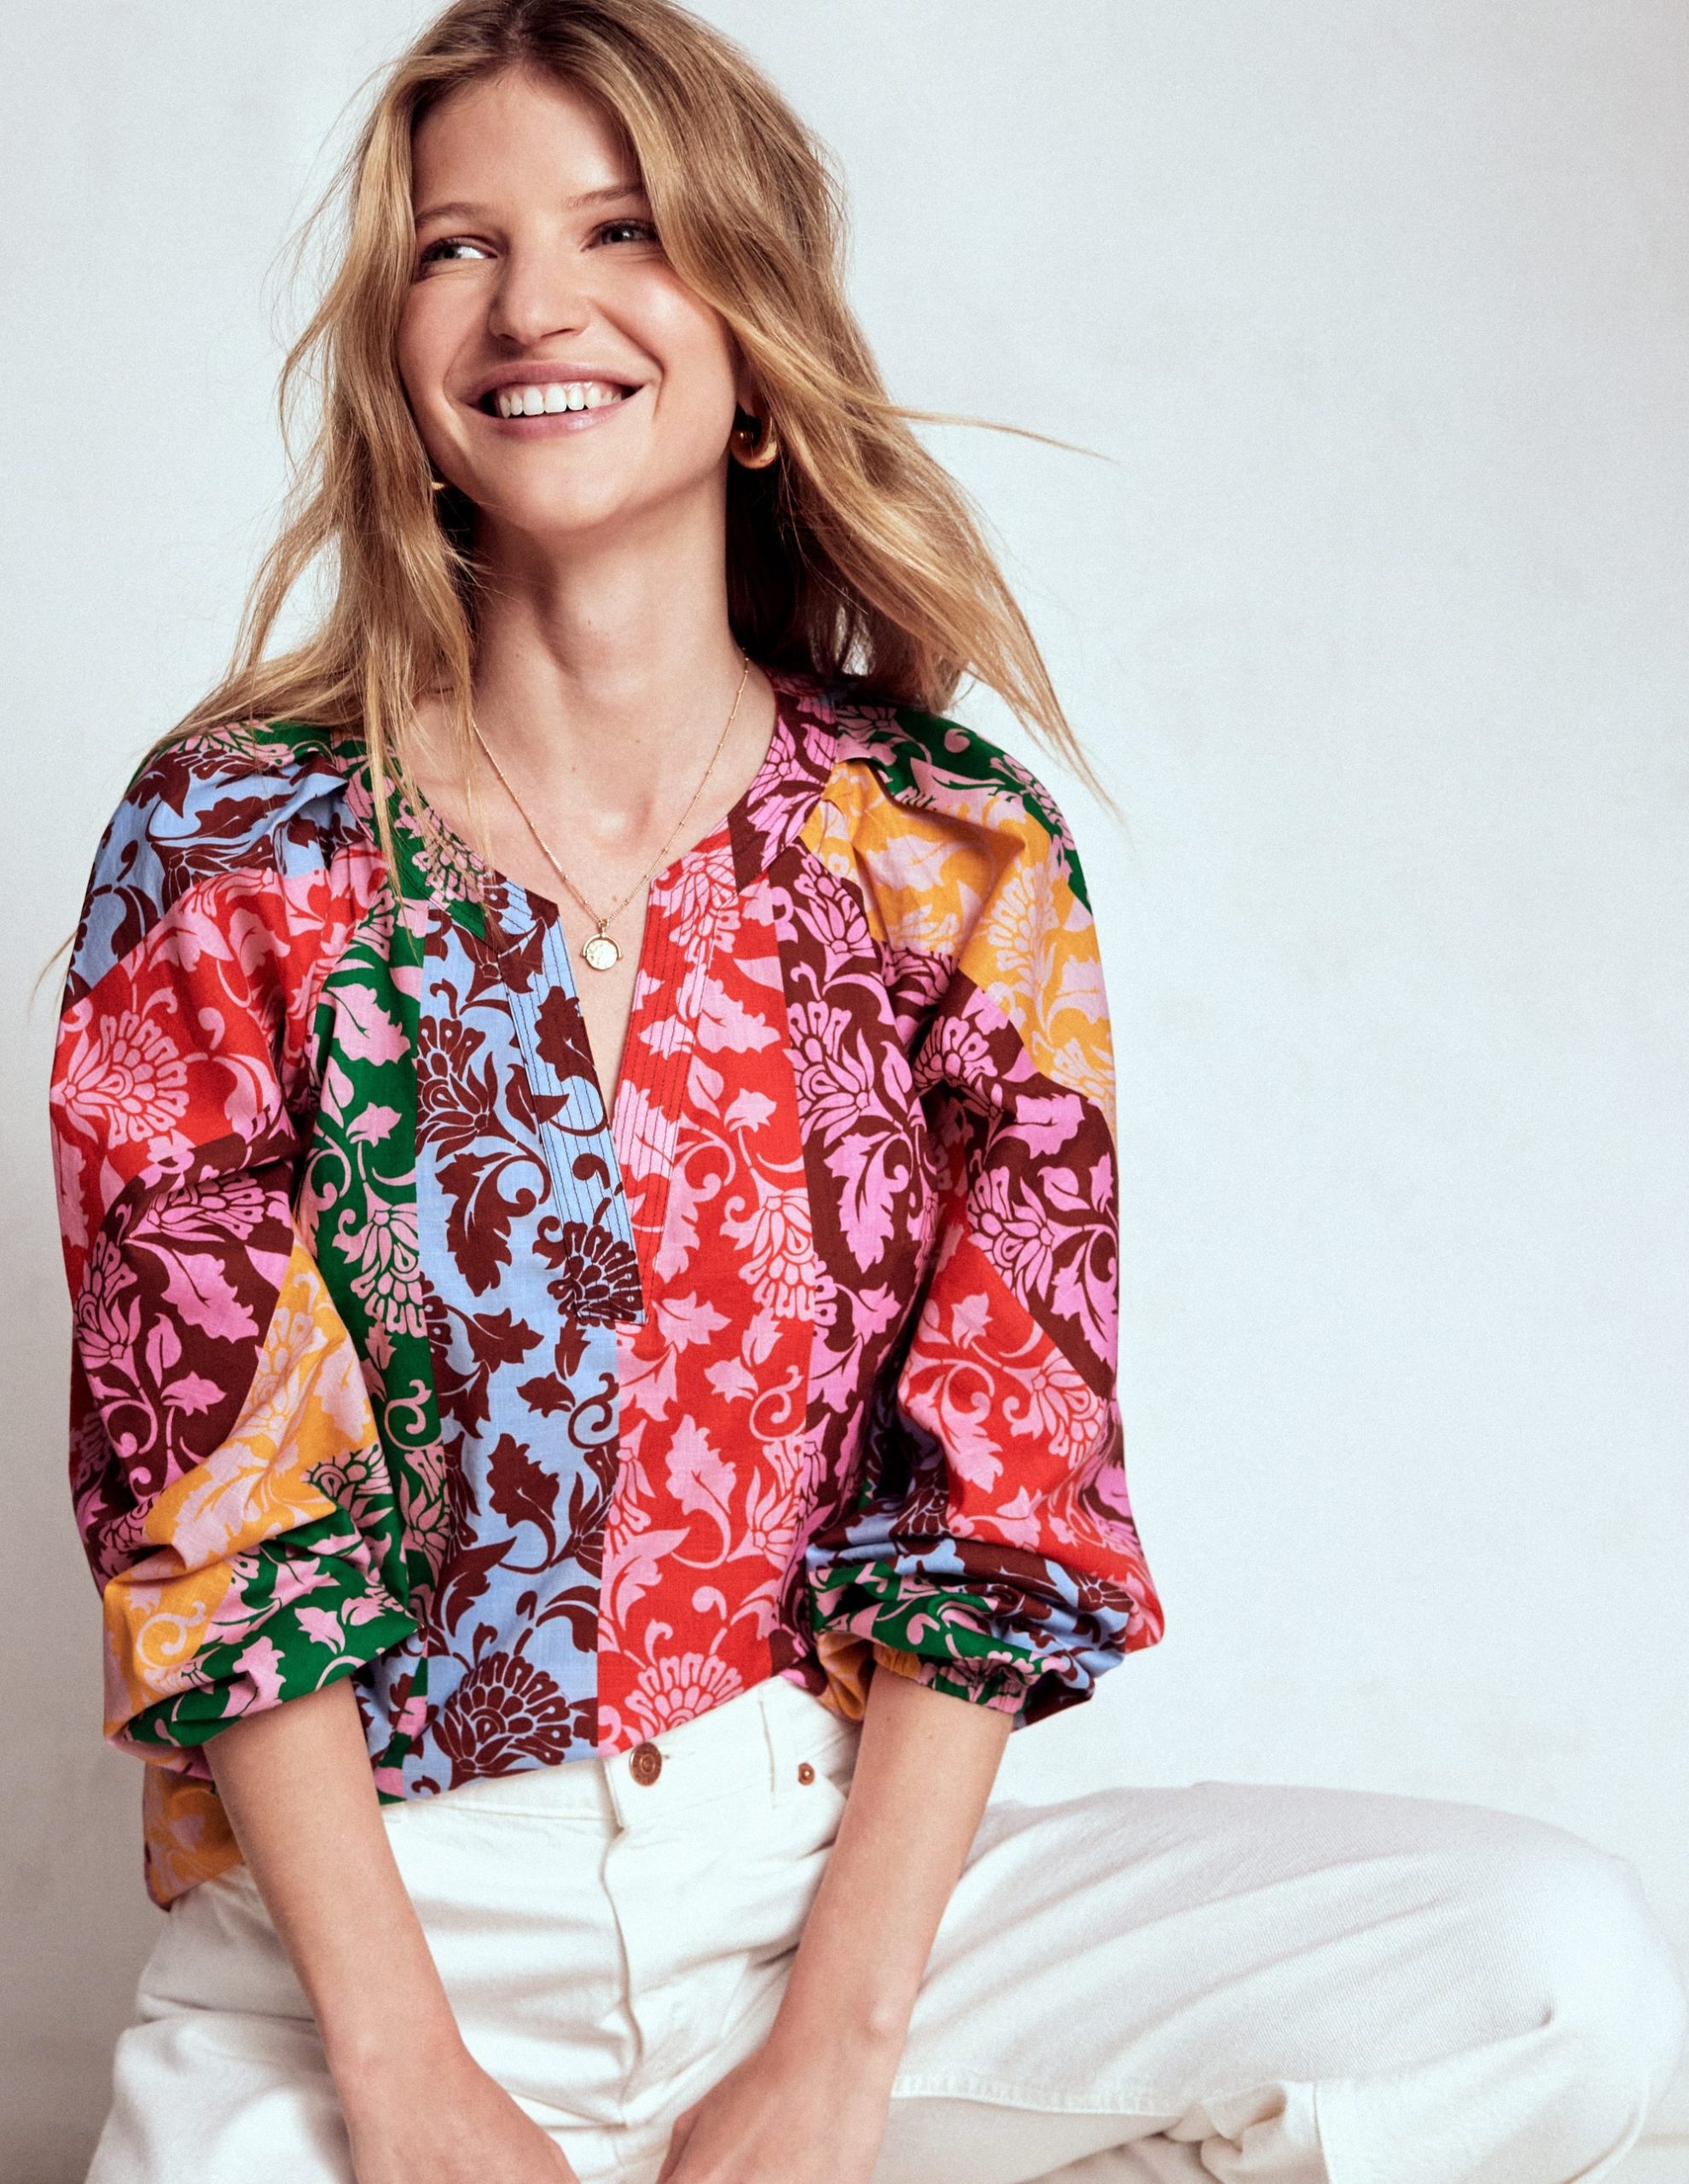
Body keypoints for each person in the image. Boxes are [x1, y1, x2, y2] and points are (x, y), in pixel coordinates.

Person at [49, 3, 1686, 2181]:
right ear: (397, 358)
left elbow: (1011, 1481)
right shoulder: (234, 842)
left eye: (621, 228)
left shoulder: (949, 848)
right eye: (458, 247)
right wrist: (408, 2078)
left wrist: (832, 2054)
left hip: (819, 1894)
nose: (534, 305)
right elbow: (214, 1511)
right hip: (370, 1938)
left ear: (752, 339)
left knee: (1554, 1975)